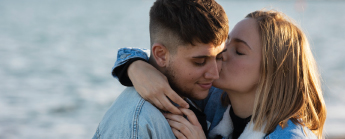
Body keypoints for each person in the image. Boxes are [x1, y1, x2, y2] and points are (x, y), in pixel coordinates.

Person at [112, 10, 327, 139]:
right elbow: (168, 57)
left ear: (273, 71)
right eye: (225, 45)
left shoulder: (288, 137)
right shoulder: (218, 100)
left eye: (239, 51)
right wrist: (137, 67)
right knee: (136, 100)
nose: (222, 54)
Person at [92, 0, 229, 138]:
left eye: (219, 58)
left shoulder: (201, 91)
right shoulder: (139, 123)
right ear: (161, 55)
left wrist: (132, 63)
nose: (215, 74)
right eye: (200, 61)